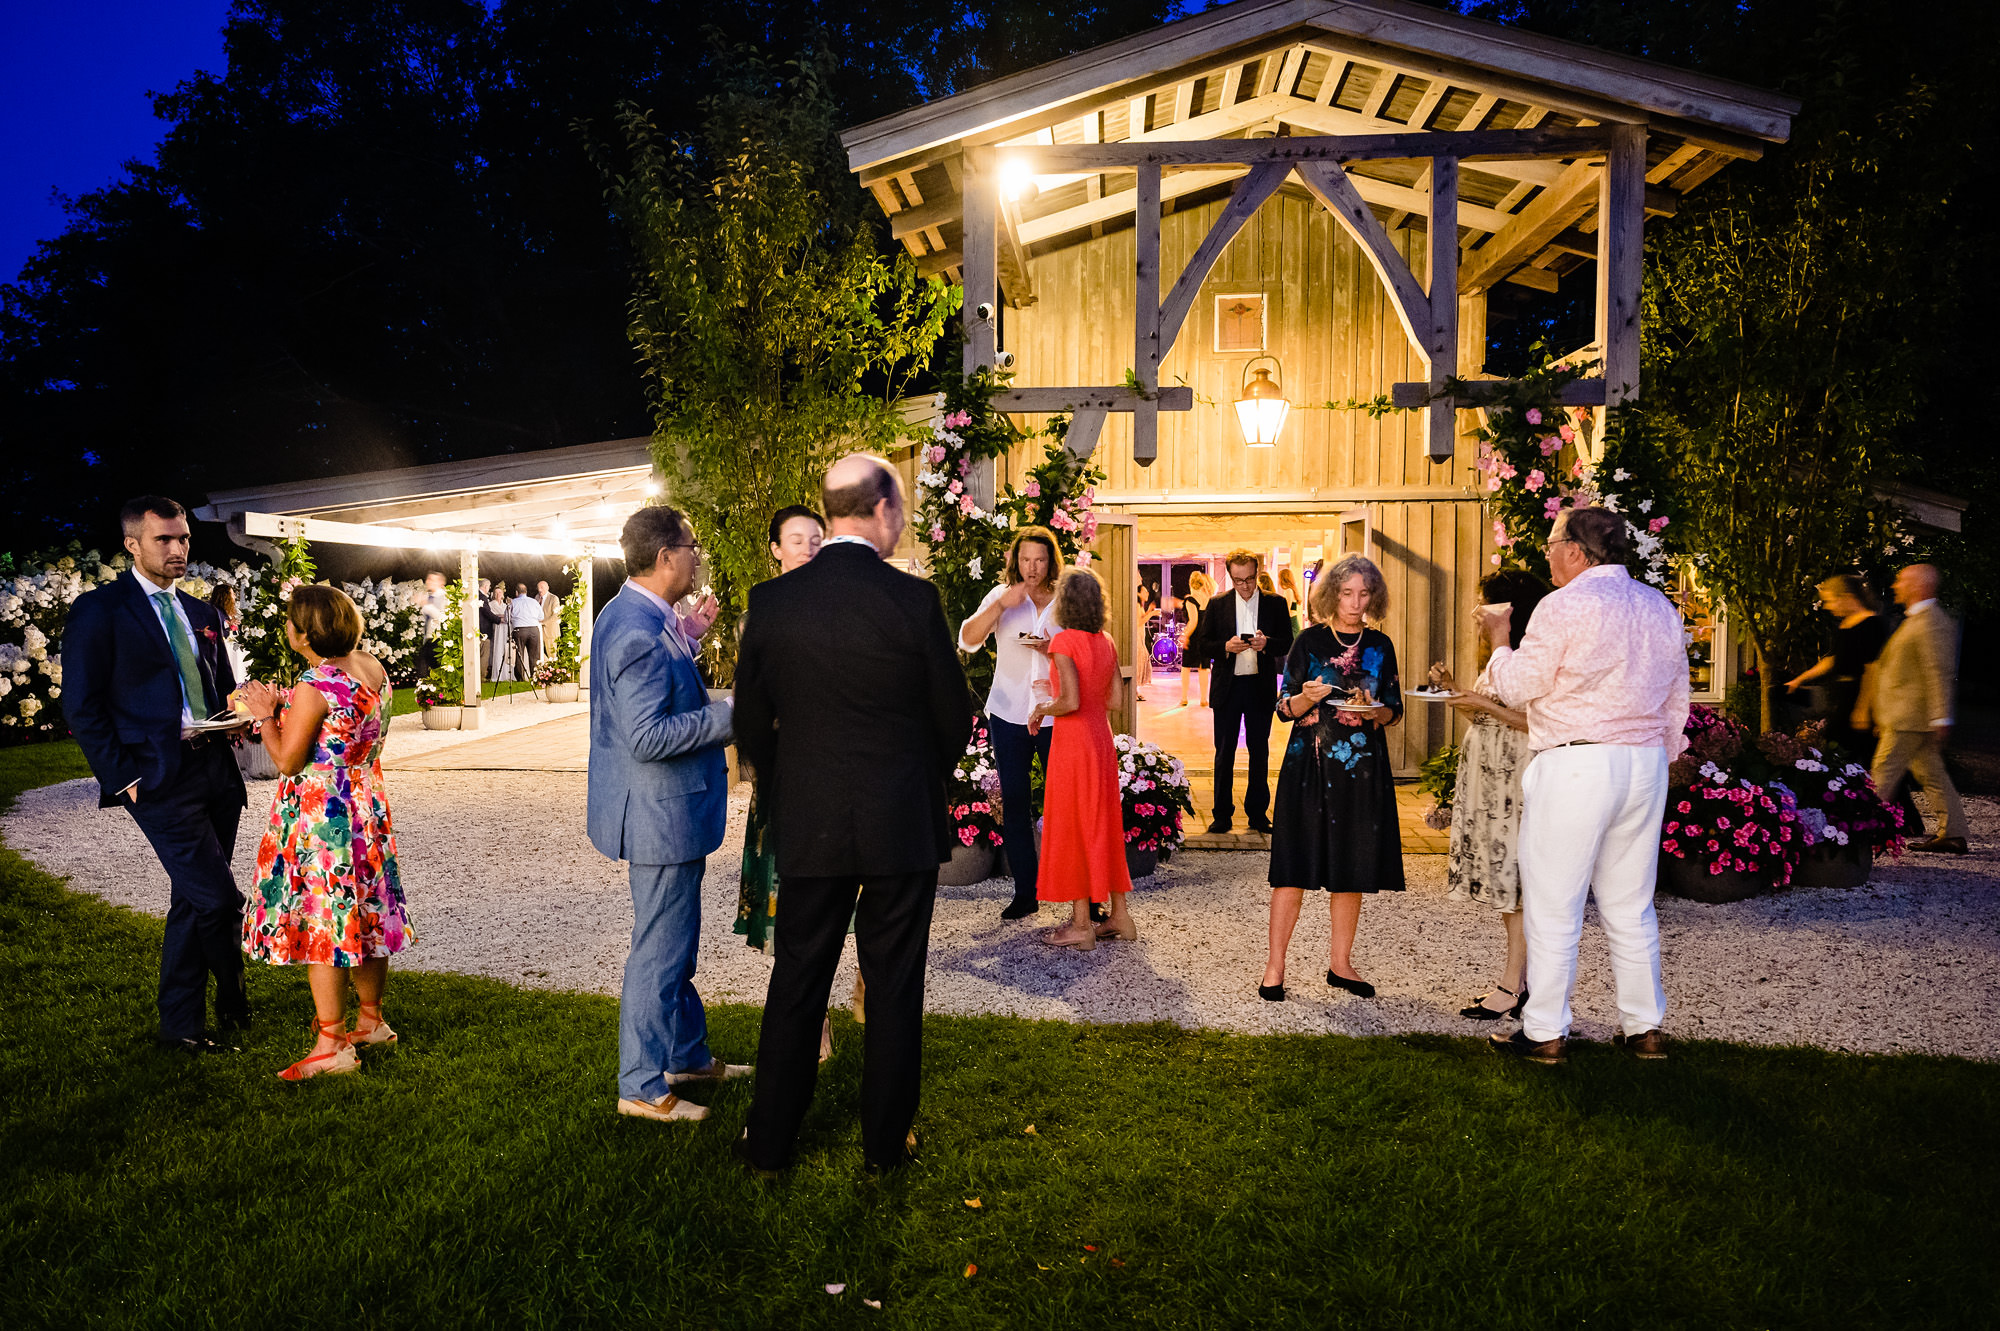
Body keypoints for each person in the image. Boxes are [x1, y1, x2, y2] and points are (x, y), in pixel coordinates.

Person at [734, 452, 973, 1174]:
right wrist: (915, 778)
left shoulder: (773, 604)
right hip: (899, 820)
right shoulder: (914, 602)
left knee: (799, 975)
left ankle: (771, 1142)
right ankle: (884, 1146)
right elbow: (953, 719)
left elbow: (751, 725)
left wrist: (785, 793)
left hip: (810, 820)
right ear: (881, 511)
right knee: (894, 983)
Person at [1480, 506, 1688, 1064]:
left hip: (1576, 763)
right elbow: (1677, 694)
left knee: (1554, 904)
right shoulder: (1657, 605)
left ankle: (1545, 1030)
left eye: (1551, 542)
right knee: (1631, 904)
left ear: (1575, 549)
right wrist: (1659, 755)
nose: (1547, 552)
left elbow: (1520, 686)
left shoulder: (1563, 605)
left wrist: (1500, 638)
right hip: (1643, 764)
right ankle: (1644, 1027)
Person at [62, 496, 251, 1053]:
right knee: (218, 901)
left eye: (185, 539)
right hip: (158, 779)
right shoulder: (101, 610)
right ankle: (233, 993)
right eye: (164, 540)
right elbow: (82, 705)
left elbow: (217, 690)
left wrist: (237, 720)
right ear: (131, 544)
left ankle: (182, 1026)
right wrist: (124, 778)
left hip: (217, 771)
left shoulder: (202, 613)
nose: (178, 550)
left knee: (192, 898)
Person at [587, 505, 745, 1123]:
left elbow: (660, 683)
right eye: (693, 546)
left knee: (675, 945)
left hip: (666, 811)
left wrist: (693, 635)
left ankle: (685, 1055)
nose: (698, 556)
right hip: (659, 815)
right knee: (660, 949)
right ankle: (642, 1086)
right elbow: (648, 735)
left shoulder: (645, 615)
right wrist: (739, 711)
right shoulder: (637, 630)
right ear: (666, 558)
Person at [236, 586, 413, 1079]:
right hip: (365, 805)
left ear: (304, 632)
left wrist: (266, 715)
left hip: (324, 816)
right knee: (365, 911)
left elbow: (289, 761)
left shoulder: (317, 682)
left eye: (291, 621)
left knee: (326, 919)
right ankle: (371, 1021)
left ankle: (331, 1045)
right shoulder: (372, 666)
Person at [736, 505, 851, 1063]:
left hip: (837, 777)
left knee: (838, 902)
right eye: (796, 539)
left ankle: (847, 995)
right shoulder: (761, 612)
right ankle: (814, 1018)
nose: (807, 547)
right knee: (788, 905)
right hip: (784, 780)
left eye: (816, 538)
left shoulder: (840, 607)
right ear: (776, 549)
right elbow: (753, 709)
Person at [1262, 555, 1403, 1001]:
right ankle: (1275, 966)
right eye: (1347, 593)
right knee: (1293, 867)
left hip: (1361, 770)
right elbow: (1283, 709)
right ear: (1331, 595)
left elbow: (1393, 710)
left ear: (1373, 596)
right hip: (1309, 764)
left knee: (1351, 869)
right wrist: (1304, 698)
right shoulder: (1308, 642)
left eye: (1364, 593)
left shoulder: (1381, 645)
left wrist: (1375, 709)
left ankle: (1340, 964)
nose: (1355, 602)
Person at [1435, 569, 1551, 1020]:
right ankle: (1521, 981)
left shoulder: (1533, 656)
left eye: (1482, 602)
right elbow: (1487, 719)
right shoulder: (1500, 657)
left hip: (1516, 780)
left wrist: (1481, 703)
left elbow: (1537, 721)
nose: (1475, 612)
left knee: (1516, 883)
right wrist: (1455, 692)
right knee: (1506, 883)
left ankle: (1513, 986)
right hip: (1490, 779)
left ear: (1507, 609)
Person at [957, 526, 1062, 920]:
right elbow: (967, 639)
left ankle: (1082, 899)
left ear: (1050, 560)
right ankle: (1025, 892)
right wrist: (1001, 605)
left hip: (1055, 715)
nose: (1032, 568)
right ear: (1014, 561)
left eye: (1039, 560)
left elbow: (1089, 653)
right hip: (1009, 713)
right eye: (1025, 560)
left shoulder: (1065, 599)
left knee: (1064, 806)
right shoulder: (1000, 596)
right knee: (1015, 805)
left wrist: (1055, 649)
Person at [1028, 566, 1135, 949]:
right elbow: (1116, 701)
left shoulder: (1063, 643)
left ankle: (1081, 925)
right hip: (1101, 741)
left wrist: (1042, 709)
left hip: (1073, 745)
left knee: (1074, 824)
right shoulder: (1106, 640)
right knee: (1103, 822)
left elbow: (1069, 702)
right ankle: (1120, 917)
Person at [1857, 563, 1968, 854]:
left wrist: (1941, 716)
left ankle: (1857, 835)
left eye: (1901, 581)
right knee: (1932, 775)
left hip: (1909, 718)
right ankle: (1953, 833)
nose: (1895, 586)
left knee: (1881, 775)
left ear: (1919, 586)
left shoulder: (1931, 621)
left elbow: (1938, 670)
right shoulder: (1917, 619)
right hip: (1908, 716)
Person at [1192, 550, 1295, 835]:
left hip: (1259, 687)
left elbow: (1287, 642)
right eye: (1238, 581)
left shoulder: (1275, 603)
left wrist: (1267, 643)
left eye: (1249, 579)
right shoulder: (1217, 604)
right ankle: (1222, 815)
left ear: (1257, 572)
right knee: (1224, 753)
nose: (1245, 586)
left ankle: (1258, 814)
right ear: (1229, 576)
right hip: (1228, 687)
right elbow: (1202, 644)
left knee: (1259, 751)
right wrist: (1225, 646)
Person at [208, 583, 248, 685]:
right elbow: (215, 630)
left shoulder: (220, 611)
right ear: (225, 596)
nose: (234, 596)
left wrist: (229, 625)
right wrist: (227, 625)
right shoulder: (214, 611)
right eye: (232, 594)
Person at [508, 582, 544, 680]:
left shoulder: (513, 602)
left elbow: (507, 618)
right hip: (533, 630)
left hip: (520, 630)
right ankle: (536, 677)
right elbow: (541, 617)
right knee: (535, 655)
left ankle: (520, 678)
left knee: (519, 655)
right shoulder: (534, 602)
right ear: (526, 592)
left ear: (516, 592)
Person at [415, 570, 448, 677]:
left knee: (427, 668)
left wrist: (426, 604)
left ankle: (432, 690)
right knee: (424, 668)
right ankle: (428, 690)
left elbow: (440, 616)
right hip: (429, 639)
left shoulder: (443, 597)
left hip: (438, 639)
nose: (428, 581)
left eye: (432, 580)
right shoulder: (430, 597)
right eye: (428, 579)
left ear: (440, 583)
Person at [1276, 567, 1305, 633]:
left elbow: (1286, 609)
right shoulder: (1291, 590)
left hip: (1291, 620)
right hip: (1293, 619)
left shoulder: (1288, 591)